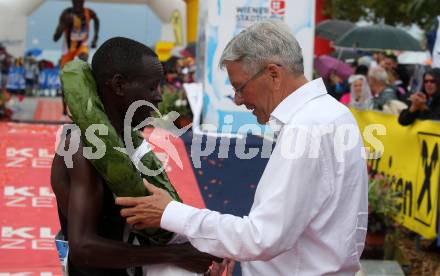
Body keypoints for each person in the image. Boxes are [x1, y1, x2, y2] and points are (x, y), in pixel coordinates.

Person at [116, 20, 368, 276]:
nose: (237, 100)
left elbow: (261, 238)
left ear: (273, 74)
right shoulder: (334, 114)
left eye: (239, 87)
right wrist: (241, 254)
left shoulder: (306, 129)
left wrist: (170, 212)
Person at [51, 37, 221, 275]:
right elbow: (83, 248)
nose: (159, 97)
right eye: (152, 87)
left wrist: (198, 251)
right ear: (119, 85)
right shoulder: (79, 146)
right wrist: (179, 255)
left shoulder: (127, 139)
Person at [53, 0, 100, 68]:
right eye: (76, 1)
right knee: (65, 69)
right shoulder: (66, 13)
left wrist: (95, 38)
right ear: (72, 2)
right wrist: (64, 24)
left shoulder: (88, 12)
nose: (78, 3)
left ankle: (83, 74)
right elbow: (55, 38)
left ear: (83, 2)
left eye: (80, 1)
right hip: (68, 47)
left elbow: (96, 20)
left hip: (82, 44)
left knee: (84, 58)